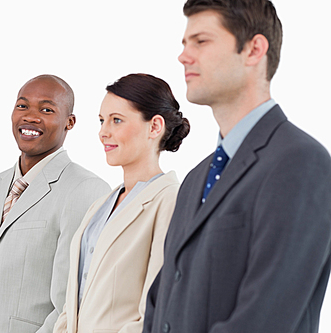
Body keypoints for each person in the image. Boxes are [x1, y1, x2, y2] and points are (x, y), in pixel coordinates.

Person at [143, 1, 331, 332]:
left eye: (201, 41)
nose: (184, 56)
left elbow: (265, 319)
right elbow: (160, 302)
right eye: (185, 44)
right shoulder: (194, 180)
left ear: (254, 49)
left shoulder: (301, 163)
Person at [0, 74, 111, 333]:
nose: (30, 116)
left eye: (46, 109)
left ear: (70, 122)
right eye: (22, 106)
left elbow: (70, 301)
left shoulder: (86, 190)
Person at [53, 73, 190, 333]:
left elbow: (156, 306)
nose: (103, 132)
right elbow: (73, 302)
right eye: (102, 121)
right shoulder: (101, 205)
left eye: (117, 120)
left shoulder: (170, 199)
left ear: (155, 127)